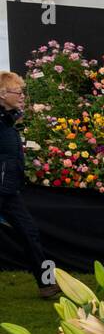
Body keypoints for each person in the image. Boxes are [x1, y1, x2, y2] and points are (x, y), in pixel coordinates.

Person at [0, 71, 57, 298]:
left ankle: (47, 285)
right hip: (4, 189)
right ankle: (48, 284)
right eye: (18, 92)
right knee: (29, 233)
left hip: (8, 191)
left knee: (30, 232)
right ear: (3, 94)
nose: (22, 96)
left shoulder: (8, 120)